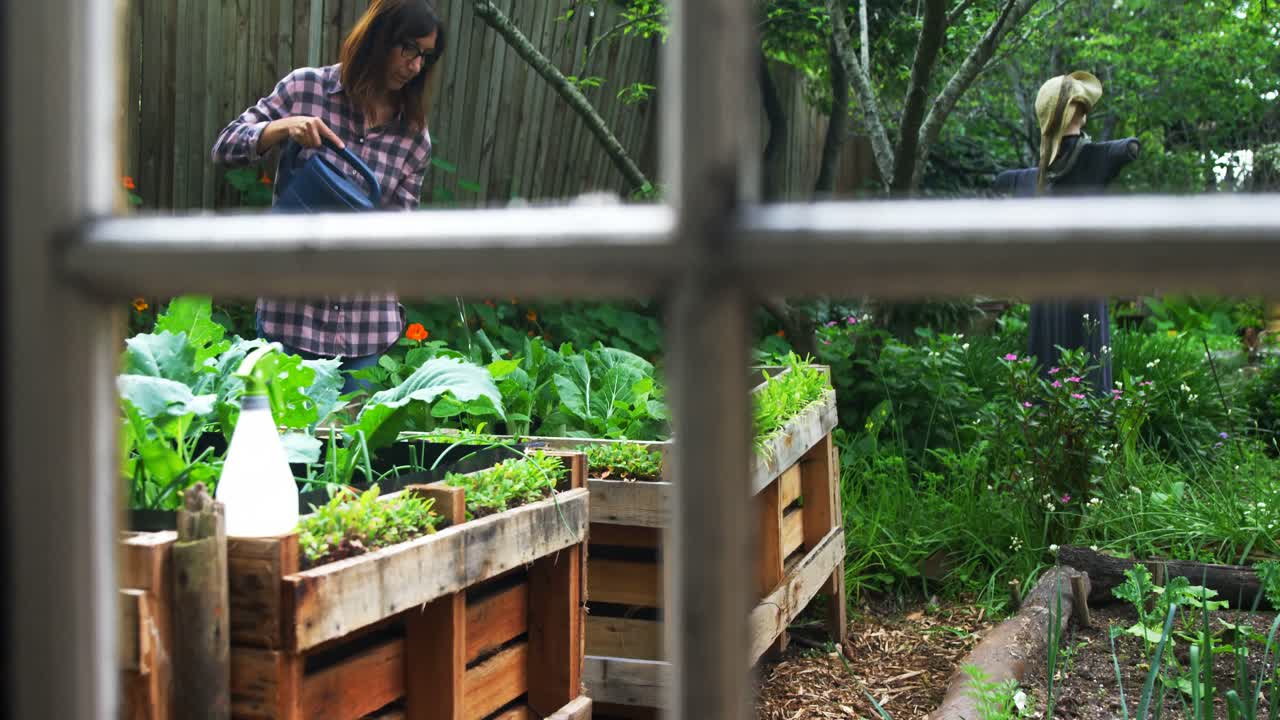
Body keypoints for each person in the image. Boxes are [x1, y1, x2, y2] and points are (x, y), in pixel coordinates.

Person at [211, 0, 446, 395]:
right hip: (291, 316)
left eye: (426, 56)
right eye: (409, 49)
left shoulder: (413, 137)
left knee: (353, 436)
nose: (415, 66)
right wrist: (284, 126)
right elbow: (224, 147)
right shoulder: (306, 89)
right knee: (282, 431)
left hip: (365, 328)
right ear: (378, 37)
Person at [994, 71, 1141, 392]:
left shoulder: (1032, 178)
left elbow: (1004, 180)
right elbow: (1130, 148)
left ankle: (1050, 416)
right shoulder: (1095, 160)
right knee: (1088, 368)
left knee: (1049, 373)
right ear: (1082, 112)